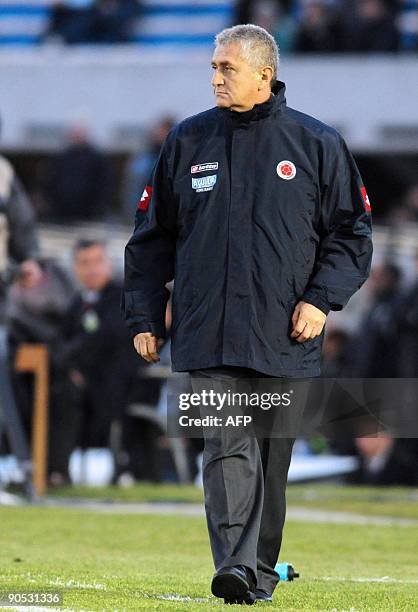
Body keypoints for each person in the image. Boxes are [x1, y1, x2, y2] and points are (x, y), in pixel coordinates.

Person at [123, 24, 372, 604]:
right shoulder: (186, 141)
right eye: (213, 67)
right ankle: (235, 567)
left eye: (226, 69)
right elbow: (150, 238)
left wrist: (320, 299)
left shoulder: (317, 144)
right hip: (206, 331)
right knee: (225, 446)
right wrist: (142, 315)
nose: (215, 78)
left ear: (264, 72)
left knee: (269, 460)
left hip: (286, 333)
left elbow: (352, 233)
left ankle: (256, 571)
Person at [49, 239, 136, 484]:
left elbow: (109, 337)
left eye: (98, 261)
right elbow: (62, 341)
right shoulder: (76, 304)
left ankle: (57, 470)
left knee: (65, 392)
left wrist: (76, 367)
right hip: (79, 382)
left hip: (115, 384)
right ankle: (43, 468)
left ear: (108, 264)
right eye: (85, 263)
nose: (92, 269)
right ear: (75, 268)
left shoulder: (122, 296)